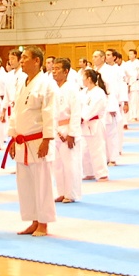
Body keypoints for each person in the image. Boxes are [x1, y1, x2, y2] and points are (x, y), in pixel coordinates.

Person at [5, 46, 57, 236]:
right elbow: (16, 113)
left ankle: (43, 223)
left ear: (37, 61)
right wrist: (12, 136)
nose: (21, 61)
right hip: (21, 141)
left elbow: (50, 113)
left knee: (42, 184)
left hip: (38, 141)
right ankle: (34, 220)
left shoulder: (47, 84)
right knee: (26, 185)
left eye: (25, 58)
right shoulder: (22, 83)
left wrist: (47, 139)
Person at [50, 58, 83, 204]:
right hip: (55, 129)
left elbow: (76, 112)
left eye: (58, 68)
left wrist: (72, 133)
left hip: (68, 128)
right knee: (57, 165)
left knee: (70, 164)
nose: (54, 71)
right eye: (53, 68)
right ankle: (62, 192)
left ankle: (71, 193)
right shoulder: (53, 88)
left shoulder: (72, 89)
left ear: (66, 71)